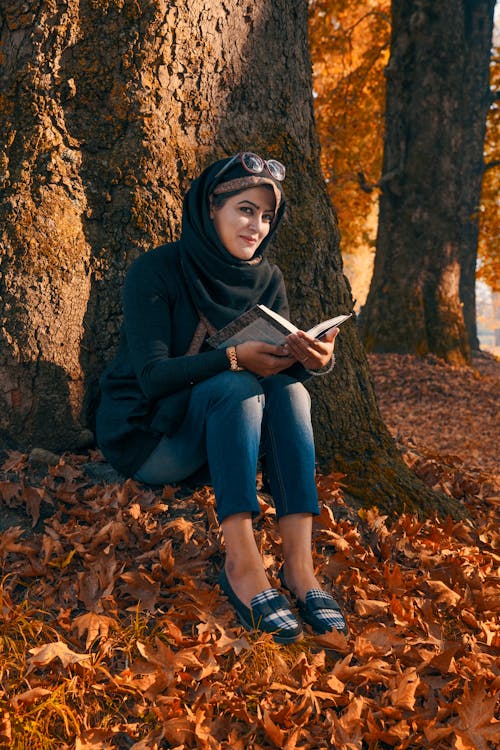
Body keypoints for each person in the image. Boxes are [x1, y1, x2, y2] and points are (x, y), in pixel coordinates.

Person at [96, 152, 348, 643]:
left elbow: (273, 364)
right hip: (151, 437)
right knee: (235, 385)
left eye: (267, 216)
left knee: (292, 390)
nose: (257, 226)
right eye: (245, 210)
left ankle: (300, 569)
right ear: (211, 209)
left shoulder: (267, 279)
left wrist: (315, 360)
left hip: (223, 437)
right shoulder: (158, 269)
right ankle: (243, 565)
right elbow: (150, 376)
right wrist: (234, 360)